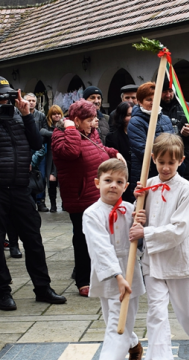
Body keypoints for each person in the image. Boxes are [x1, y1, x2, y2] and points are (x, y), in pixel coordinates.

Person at [0, 76, 67, 310]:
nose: (5, 100)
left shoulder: (19, 117)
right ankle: (2, 292)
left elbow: (35, 143)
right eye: (0, 95)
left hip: (20, 186)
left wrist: (27, 115)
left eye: (8, 95)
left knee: (33, 239)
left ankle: (43, 288)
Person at [129, 134, 189, 360]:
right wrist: (137, 212)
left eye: (171, 162)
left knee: (188, 309)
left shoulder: (186, 190)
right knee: (156, 314)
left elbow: (180, 229)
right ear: (153, 158)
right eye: (161, 161)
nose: (166, 167)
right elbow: (138, 219)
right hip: (152, 263)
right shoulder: (147, 186)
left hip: (177, 259)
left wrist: (148, 233)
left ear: (181, 161)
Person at [83, 159, 145, 360]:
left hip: (130, 270)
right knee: (112, 318)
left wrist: (141, 226)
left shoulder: (131, 209)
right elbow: (99, 248)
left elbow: (140, 243)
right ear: (98, 182)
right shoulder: (91, 214)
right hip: (108, 272)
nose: (113, 186)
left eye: (119, 182)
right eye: (108, 181)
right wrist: (117, 276)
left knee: (118, 324)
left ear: (126, 185)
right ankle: (134, 346)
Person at [53, 100, 124, 296]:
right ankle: (83, 279)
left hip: (96, 194)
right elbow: (72, 151)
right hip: (79, 196)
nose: (94, 123)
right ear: (76, 120)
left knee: (101, 236)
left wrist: (113, 153)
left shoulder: (89, 132)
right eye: (90, 120)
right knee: (83, 238)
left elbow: (98, 150)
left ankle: (100, 274)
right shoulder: (61, 136)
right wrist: (70, 129)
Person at [126, 82, 174, 202]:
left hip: (168, 172)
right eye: (148, 99)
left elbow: (174, 143)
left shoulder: (165, 119)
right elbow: (142, 151)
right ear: (140, 102)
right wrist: (166, 161)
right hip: (147, 173)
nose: (153, 102)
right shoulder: (135, 122)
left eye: (156, 98)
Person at [160, 80, 189, 181]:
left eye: (170, 91)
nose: (168, 95)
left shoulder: (186, 107)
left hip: (184, 157)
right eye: (164, 92)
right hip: (162, 158)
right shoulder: (155, 108)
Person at [34, 105, 63, 213]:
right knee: (51, 181)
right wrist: (57, 134)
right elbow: (42, 132)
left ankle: (64, 204)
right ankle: (53, 205)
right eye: (54, 114)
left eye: (58, 113)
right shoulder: (47, 125)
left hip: (61, 155)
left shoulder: (64, 125)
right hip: (50, 156)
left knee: (62, 180)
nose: (57, 116)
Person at [25, 93, 50, 212]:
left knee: (41, 175)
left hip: (39, 148)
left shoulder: (40, 115)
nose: (31, 102)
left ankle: (41, 201)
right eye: (29, 100)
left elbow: (44, 131)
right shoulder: (20, 114)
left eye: (33, 100)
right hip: (25, 148)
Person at [105, 101, 133, 200]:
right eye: (128, 115)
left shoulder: (139, 134)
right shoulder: (112, 137)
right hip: (122, 179)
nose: (132, 118)